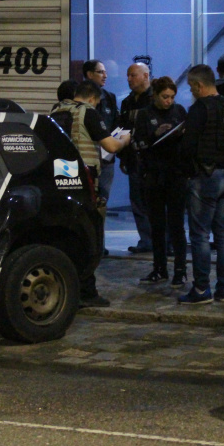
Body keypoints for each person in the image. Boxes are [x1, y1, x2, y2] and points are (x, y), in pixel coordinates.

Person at [50, 80, 131, 307]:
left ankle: (68, 289)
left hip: (62, 179)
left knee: (67, 237)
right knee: (89, 239)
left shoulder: (57, 110)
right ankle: (87, 292)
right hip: (84, 183)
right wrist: (124, 140)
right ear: (94, 98)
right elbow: (111, 147)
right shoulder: (88, 113)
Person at [177, 64, 224, 304]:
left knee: (200, 235)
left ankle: (201, 289)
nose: (191, 91)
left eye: (191, 87)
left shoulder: (199, 109)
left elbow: (188, 147)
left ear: (199, 85)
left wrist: (187, 172)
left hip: (205, 177)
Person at [132, 76, 189, 287]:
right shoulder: (145, 114)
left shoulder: (179, 111)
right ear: (155, 95)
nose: (169, 101)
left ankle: (180, 270)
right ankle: (159, 268)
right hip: (154, 174)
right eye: (165, 97)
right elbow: (138, 142)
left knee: (176, 225)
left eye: (172, 97)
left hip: (175, 173)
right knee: (157, 225)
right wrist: (154, 135)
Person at [119, 62, 154, 254]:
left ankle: (163, 241)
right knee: (138, 202)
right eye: (128, 75)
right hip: (134, 159)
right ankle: (146, 241)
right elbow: (122, 130)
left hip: (153, 159)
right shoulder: (127, 102)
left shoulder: (156, 98)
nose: (129, 79)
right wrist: (123, 157)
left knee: (156, 201)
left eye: (133, 75)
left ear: (146, 76)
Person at [83, 59, 119, 205]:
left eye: (105, 72)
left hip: (106, 158)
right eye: (101, 72)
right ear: (89, 74)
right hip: (85, 158)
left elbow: (116, 125)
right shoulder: (78, 97)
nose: (105, 76)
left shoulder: (110, 97)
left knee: (102, 200)